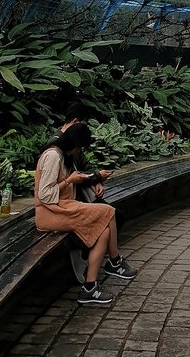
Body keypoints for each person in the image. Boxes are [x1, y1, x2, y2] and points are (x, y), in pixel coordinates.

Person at [34, 123, 136, 305]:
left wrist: (91, 180)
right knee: (108, 211)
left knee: (103, 230)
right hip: (50, 213)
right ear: (74, 145)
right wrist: (69, 181)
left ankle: (90, 287)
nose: (79, 152)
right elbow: (44, 195)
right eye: (79, 148)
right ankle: (114, 260)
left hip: (64, 207)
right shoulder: (52, 156)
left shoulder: (64, 156)